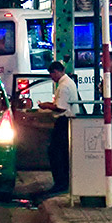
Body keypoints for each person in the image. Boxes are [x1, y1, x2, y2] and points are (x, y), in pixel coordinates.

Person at [38, 61, 79, 193]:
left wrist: (46, 106)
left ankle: (60, 183)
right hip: (67, 121)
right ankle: (63, 182)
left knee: (56, 153)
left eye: (52, 75)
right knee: (62, 153)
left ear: (56, 72)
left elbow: (61, 107)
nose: (52, 78)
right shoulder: (67, 83)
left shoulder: (64, 86)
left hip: (64, 121)